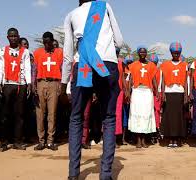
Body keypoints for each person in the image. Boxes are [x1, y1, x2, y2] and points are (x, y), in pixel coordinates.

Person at [62, 0, 123, 179]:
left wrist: (64, 81)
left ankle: (73, 175)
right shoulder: (104, 5)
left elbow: (67, 52)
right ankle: (105, 175)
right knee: (109, 118)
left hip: (83, 65)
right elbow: (119, 41)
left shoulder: (71, 15)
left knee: (76, 118)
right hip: (108, 65)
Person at [0, 28, 31, 152]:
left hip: (20, 85)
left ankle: (17, 141)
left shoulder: (25, 52)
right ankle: (4, 142)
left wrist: (29, 84)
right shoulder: (2, 51)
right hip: (7, 84)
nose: (13, 38)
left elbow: (27, 68)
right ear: (7, 37)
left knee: (19, 114)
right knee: (5, 115)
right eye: (11, 36)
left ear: (18, 36)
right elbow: (0, 69)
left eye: (15, 36)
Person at [33, 32, 63, 151]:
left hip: (54, 83)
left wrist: (61, 85)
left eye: (48, 42)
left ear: (52, 41)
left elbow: (62, 68)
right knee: (40, 113)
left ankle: (50, 141)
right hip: (41, 83)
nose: (46, 44)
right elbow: (34, 70)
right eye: (44, 42)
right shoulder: (37, 53)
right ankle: (41, 140)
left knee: (52, 113)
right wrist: (33, 85)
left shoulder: (59, 52)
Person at [127, 46, 158, 148]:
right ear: (138, 53)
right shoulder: (133, 65)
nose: (142, 54)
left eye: (144, 52)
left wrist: (156, 91)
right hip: (137, 91)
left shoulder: (151, 65)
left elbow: (153, 79)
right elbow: (131, 79)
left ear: (146, 54)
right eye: (140, 52)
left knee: (146, 114)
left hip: (147, 91)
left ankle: (144, 140)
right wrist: (128, 92)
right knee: (137, 114)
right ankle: (138, 140)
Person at [160, 42, 188, 148]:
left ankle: (177, 139)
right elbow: (162, 80)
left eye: (178, 53)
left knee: (178, 117)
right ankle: (170, 139)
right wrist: (163, 93)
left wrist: (186, 95)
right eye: (174, 53)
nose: (176, 54)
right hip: (169, 92)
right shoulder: (165, 64)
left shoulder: (184, 65)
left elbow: (186, 81)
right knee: (169, 117)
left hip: (179, 92)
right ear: (171, 53)